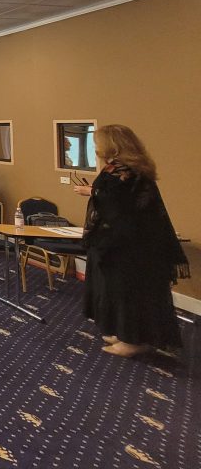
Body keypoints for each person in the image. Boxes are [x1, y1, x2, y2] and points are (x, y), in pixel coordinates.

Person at [74, 125, 188, 358]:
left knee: (126, 292)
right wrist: (95, 191)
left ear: (111, 145)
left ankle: (133, 340)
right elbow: (122, 202)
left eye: (98, 143)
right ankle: (123, 332)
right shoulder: (134, 169)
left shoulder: (120, 171)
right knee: (122, 291)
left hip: (124, 245)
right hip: (136, 242)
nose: (96, 148)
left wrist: (93, 192)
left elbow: (117, 208)